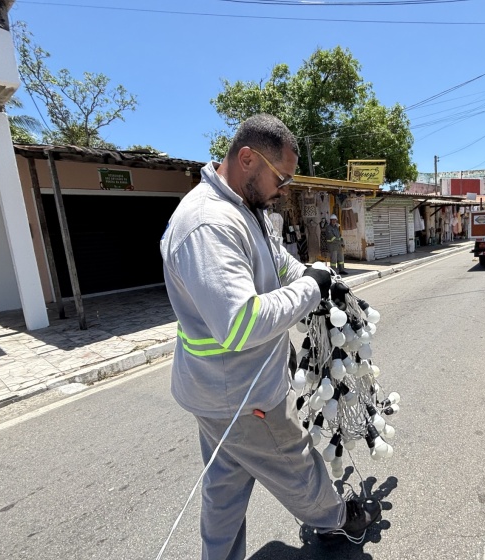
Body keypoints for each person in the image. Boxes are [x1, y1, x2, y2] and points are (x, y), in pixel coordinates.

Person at [160, 114, 380, 560]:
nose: (283, 189)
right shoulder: (210, 225)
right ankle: (338, 520)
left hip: (221, 391)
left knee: (225, 483)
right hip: (240, 396)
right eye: (281, 177)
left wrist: (316, 277)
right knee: (293, 460)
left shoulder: (246, 210)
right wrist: (309, 288)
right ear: (247, 159)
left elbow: (278, 262)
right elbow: (240, 323)